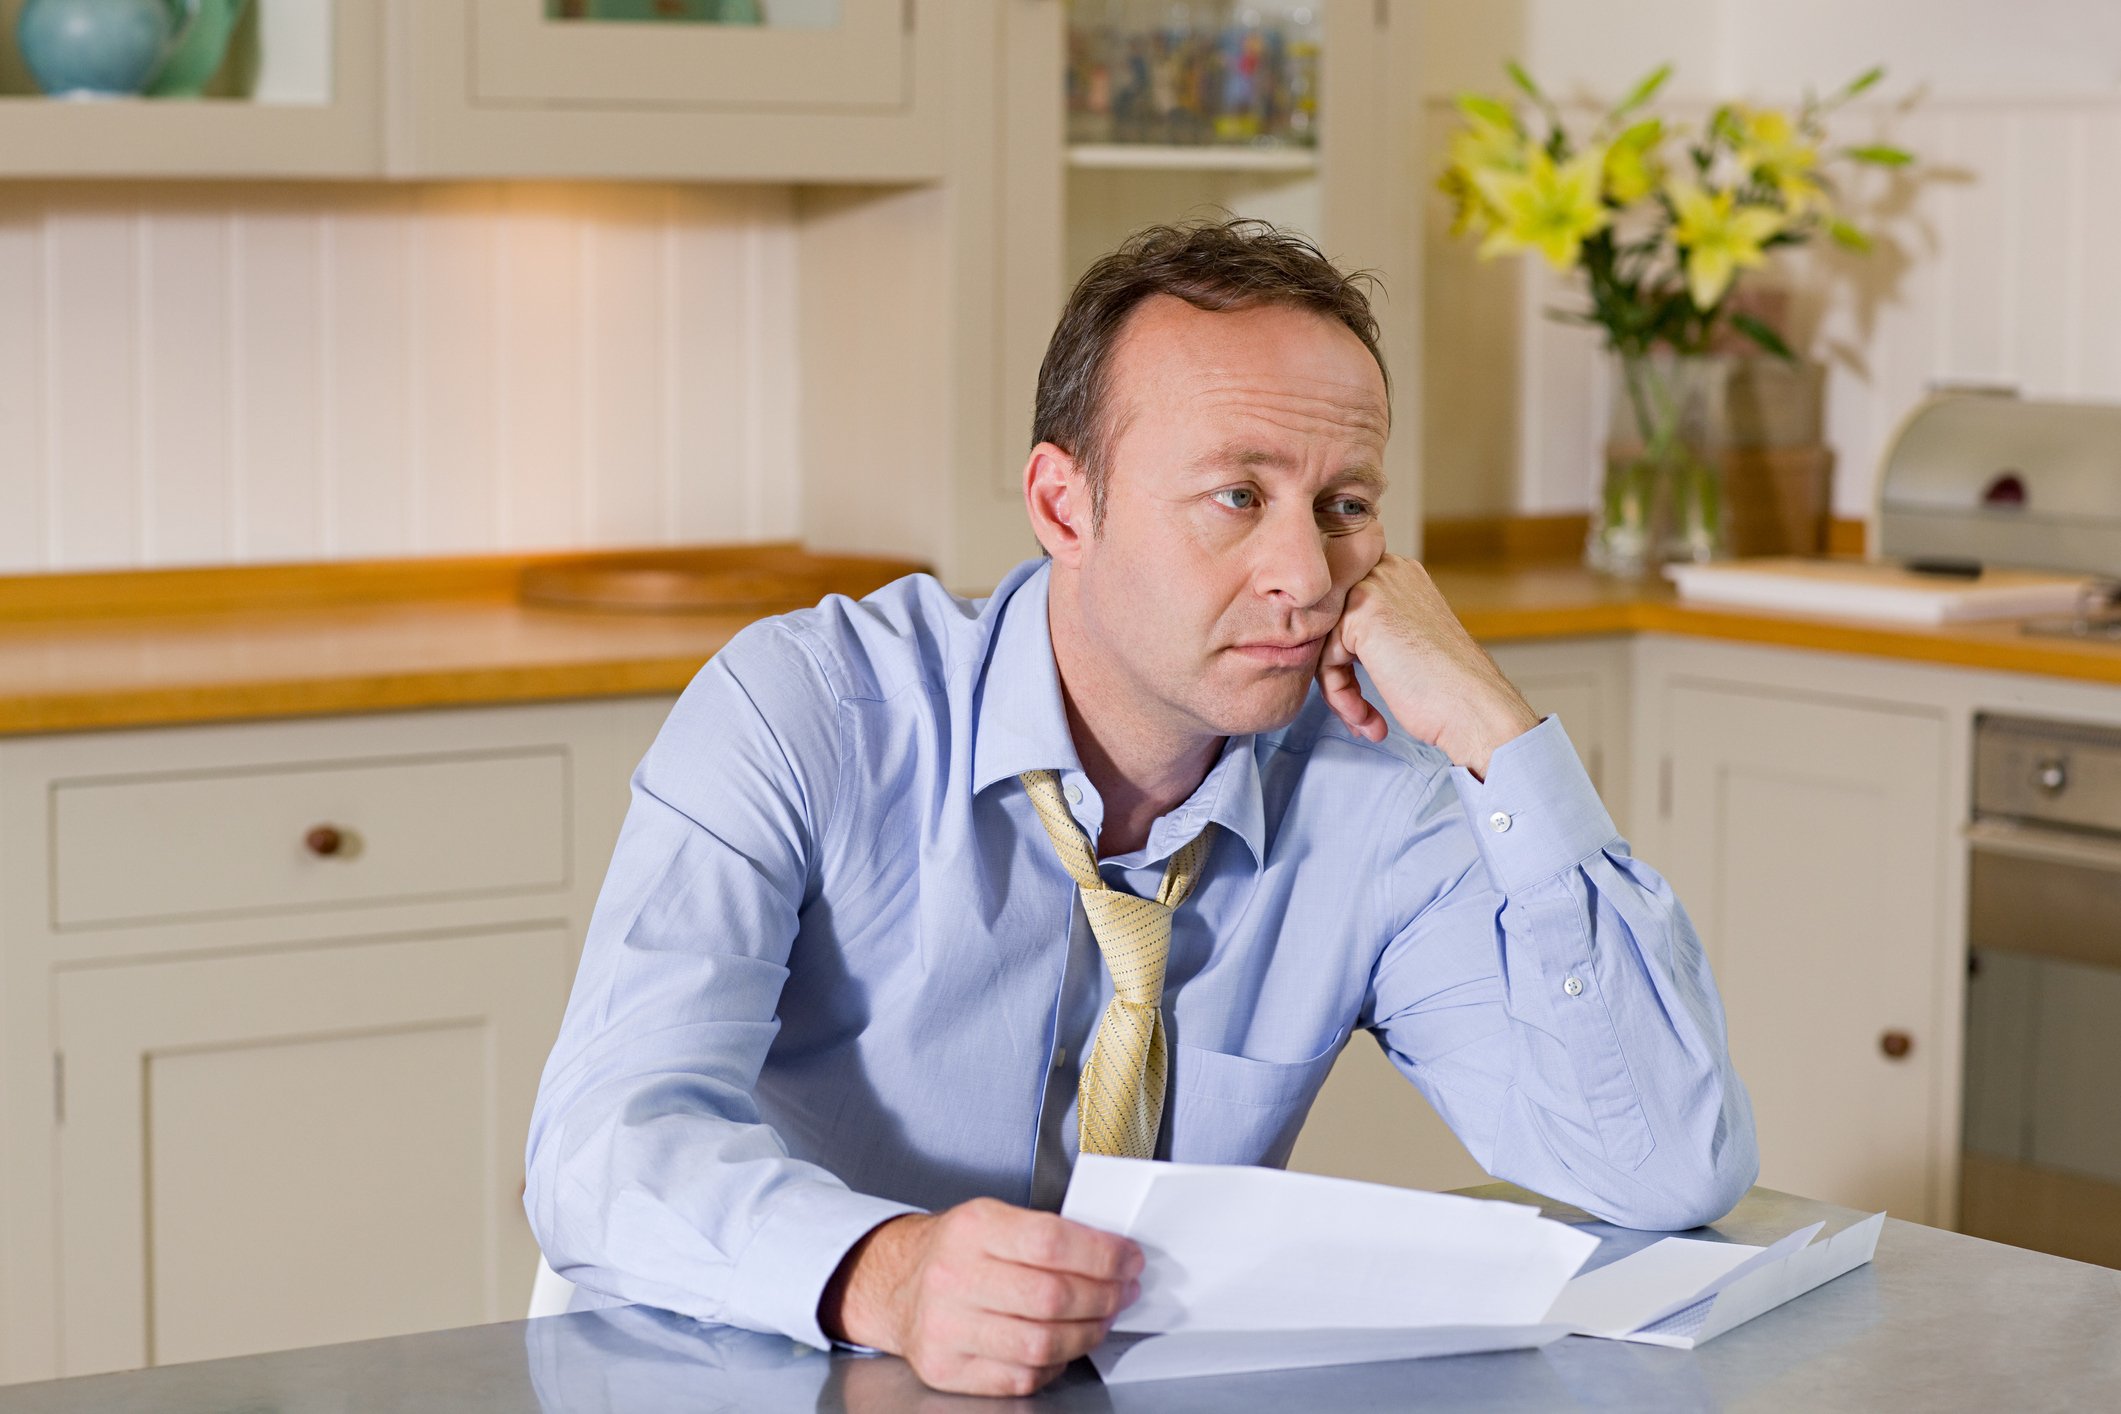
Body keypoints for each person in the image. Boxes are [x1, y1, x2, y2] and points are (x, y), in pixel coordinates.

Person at [524, 219, 1758, 1397]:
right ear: (1065, 506)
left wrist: (1498, 731)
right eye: (1237, 495)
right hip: (769, 1372)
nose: (1306, 578)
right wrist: (884, 1274)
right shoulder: (807, 709)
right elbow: (604, 1148)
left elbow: (1660, 1169)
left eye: (1347, 505)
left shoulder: (1382, 788)